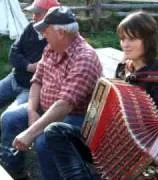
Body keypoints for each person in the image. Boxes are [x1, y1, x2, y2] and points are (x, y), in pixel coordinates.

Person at [42, 11, 158, 180]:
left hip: (132, 158)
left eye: (132, 39)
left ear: (148, 41)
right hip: (109, 146)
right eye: (123, 38)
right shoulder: (124, 69)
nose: (125, 44)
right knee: (55, 131)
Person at [12, 6, 102, 180]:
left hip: (76, 116)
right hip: (48, 109)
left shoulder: (84, 58)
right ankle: (16, 170)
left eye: (46, 30)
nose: (43, 35)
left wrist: (31, 132)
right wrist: (31, 111)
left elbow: (65, 105)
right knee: (10, 119)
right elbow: (37, 80)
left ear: (60, 32)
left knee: (44, 140)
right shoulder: (51, 48)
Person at [0, 0, 61, 178]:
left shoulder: (56, 38)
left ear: (51, 16)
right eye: (33, 12)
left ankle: (13, 166)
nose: (33, 17)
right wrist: (28, 66)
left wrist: (30, 67)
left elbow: (45, 72)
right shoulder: (31, 28)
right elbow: (13, 52)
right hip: (15, 77)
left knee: (10, 117)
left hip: (30, 88)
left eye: (38, 13)